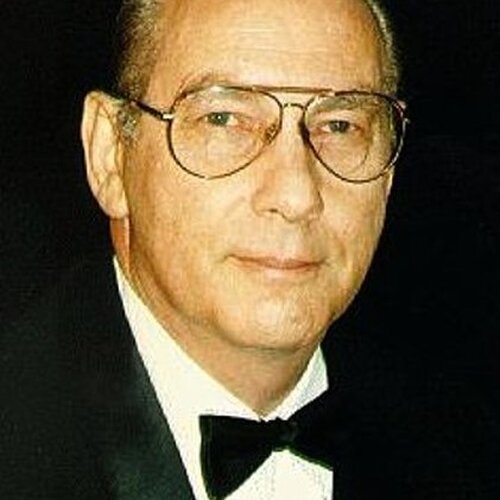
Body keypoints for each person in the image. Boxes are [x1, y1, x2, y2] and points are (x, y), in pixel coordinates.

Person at [1, 0, 498, 498]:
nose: (297, 196)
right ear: (110, 154)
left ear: (389, 172)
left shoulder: (462, 445)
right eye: (222, 119)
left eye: (340, 126)